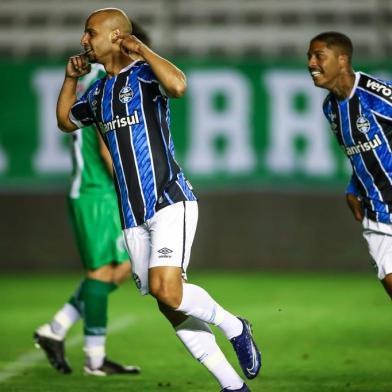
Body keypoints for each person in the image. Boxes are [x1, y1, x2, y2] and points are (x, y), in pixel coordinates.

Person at [56, 8, 261, 392]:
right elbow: (67, 121)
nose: (84, 40)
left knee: (168, 290)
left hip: (168, 199)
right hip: (132, 215)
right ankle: (233, 386)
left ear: (117, 36)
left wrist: (142, 50)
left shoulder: (145, 74)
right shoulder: (99, 91)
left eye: (91, 32)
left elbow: (179, 86)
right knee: (169, 304)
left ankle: (236, 327)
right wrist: (70, 80)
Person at [34, 21, 151, 378]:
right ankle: (92, 357)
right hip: (97, 192)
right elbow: (107, 145)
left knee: (119, 268)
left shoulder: (93, 80)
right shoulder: (108, 84)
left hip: (90, 190)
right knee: (105, 271)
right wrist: (133, 186)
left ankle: (57, 329)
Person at [307, 31, 392, 298]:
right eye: (309, 56)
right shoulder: (330, 107)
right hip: (377, 209)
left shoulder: (376, 95)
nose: (311, 63)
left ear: (342, 60)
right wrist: (353, 186)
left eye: (319, 56)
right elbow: (358, 153)